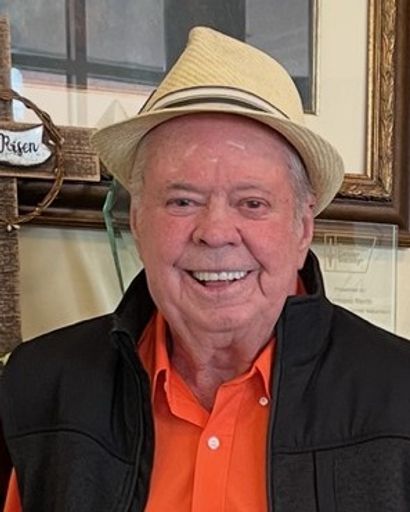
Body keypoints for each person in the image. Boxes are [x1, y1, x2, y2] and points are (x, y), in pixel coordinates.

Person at [2, 25, 410, 512]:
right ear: (138, 221)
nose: (215, 232)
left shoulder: (400, 396)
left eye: (252, 203)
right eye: (182, 201)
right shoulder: (40, 389)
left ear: (303, 229)